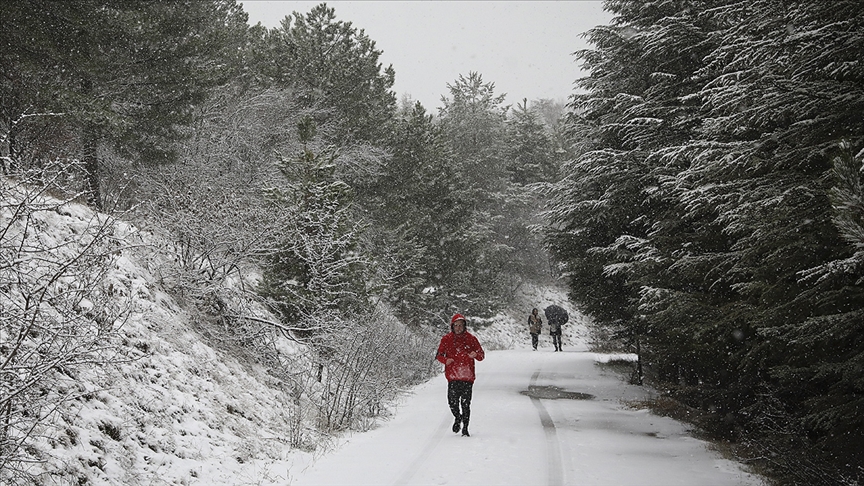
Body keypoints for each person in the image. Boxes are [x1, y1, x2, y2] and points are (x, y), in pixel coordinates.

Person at [436, 313, 485, 437]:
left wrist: (476, 355)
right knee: (452, 403)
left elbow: (481, 355)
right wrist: (445, 360)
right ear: (452, 326)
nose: (458, 328)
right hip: (452, 377)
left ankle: (465, 428)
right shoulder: (446, 339)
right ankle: (458, 417)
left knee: (466, 403)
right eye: (456, 325)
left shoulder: (471, 339)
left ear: (465, 326)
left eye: (461, 325)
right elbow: (439, 355)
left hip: (467, 377)